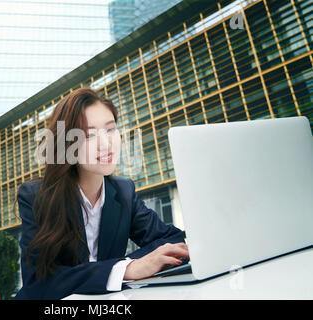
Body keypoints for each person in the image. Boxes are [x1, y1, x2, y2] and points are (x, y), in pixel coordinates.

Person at [14, 88, 189, 300]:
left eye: (110, 130)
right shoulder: (35, 196)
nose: (105, 144)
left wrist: (132, 265)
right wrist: (125, 269)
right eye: (88, 135)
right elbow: (38, 283)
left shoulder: (123, 192)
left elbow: (172, 239)